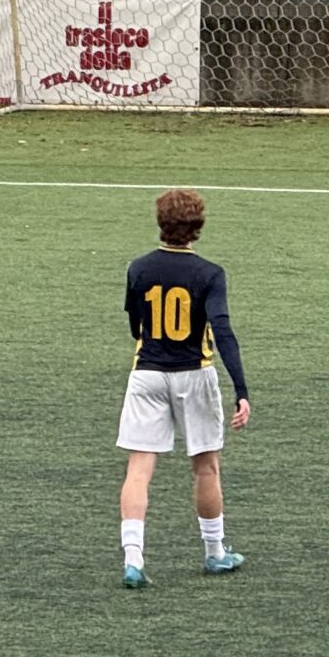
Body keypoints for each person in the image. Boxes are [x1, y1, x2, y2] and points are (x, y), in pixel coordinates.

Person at [116, 188, 249, 587]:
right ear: (198, 227)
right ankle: (215, 553)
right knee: (206, 467)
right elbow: (221, 330)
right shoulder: (210, 273)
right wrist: (240, 387)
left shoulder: (138, 268)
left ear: (161, 223)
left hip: (147, 373)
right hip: (195, 372)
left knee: (139, 468)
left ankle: (133, 560)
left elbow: (134, 325)